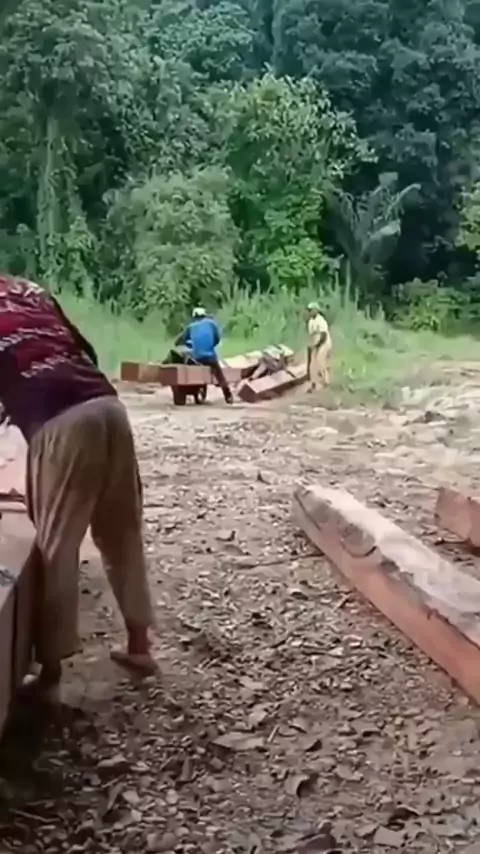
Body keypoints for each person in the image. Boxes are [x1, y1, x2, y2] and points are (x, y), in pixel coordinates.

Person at [0, 274, 157, 703]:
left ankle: (50, 670)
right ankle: (140, 646)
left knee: (56, 546)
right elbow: (84, 349)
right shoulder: (27, 289)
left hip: (60, 420)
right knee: (121, 531)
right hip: (106, 405)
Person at [176, 307, 233, 404]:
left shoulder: (190, 327)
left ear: (194, 317)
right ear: (204, 315)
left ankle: (194, 391)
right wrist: (211, 345)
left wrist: (187, 344)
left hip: (197, 357)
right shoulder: (211, 324)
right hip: (210, 357)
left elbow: (179, 340)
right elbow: (217, 339)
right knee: (219, 375)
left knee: (190, 365)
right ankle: (228, 395)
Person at [306, 302, 331, 392]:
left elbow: (324, 336)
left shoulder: (321, 320)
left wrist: (317, 346)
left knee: (320, 361)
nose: (310, 312)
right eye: (309, 310)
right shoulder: (311, 322)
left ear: (316, 310)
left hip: (323, 343)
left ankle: (325, 381)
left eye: (311, 310)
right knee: (313, 364)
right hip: (316, 344)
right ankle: (314, 383)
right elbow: (311, 336)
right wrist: (311, 346)